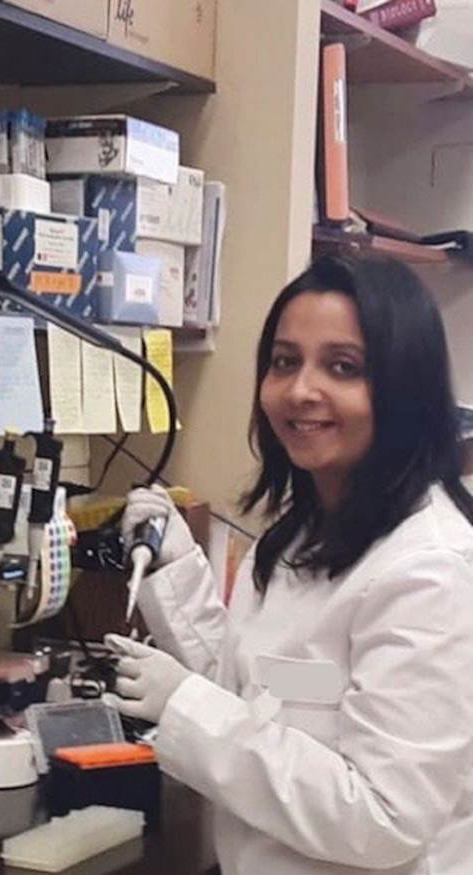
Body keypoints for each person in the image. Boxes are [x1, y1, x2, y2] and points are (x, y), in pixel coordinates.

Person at [115, 254, 473, 875]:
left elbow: (384, 818)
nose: (301, 390)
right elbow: (265, 695)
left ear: (403, 389)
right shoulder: (303, 535)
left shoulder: (430, 569)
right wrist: (176, 569)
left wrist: (185, 709)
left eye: (343, 367)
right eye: (284, 361)